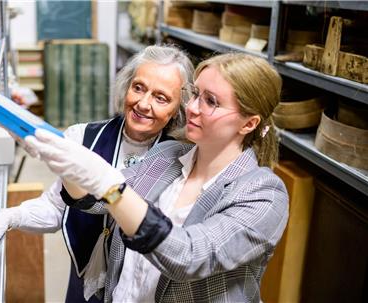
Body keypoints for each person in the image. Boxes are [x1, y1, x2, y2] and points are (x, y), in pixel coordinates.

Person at [25, 53, 290, 302]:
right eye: (195, 94)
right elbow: (102, 202)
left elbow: (190, 255)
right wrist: (67, 164)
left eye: (211, 101)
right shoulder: (168, 154)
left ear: (249, 124)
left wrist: (107, 183)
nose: (193, 108)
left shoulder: (263, 195)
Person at [0, 45, 195, 302]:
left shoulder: (183, 159)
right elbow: (56, 209)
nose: (143, 104)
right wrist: (10, 216)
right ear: (126, 86)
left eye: (161, 98)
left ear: (178, 108)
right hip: (84, 281)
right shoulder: (82, 137)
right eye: (138, 87)